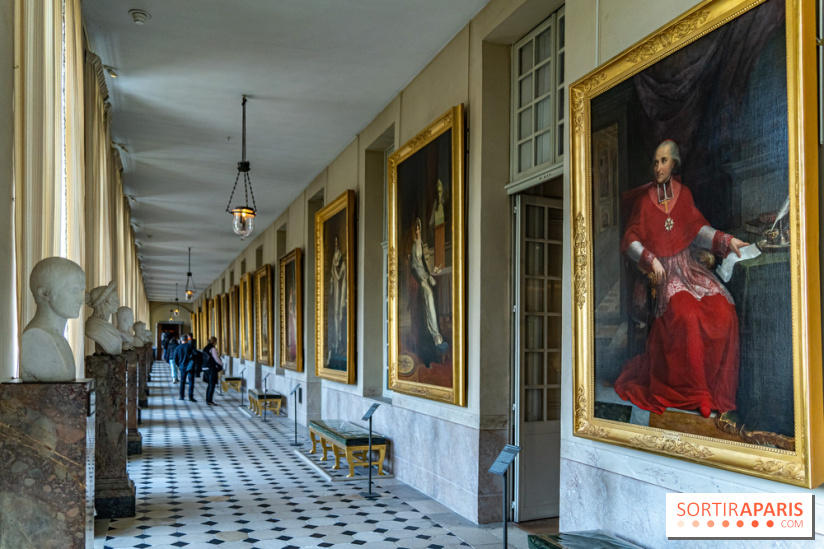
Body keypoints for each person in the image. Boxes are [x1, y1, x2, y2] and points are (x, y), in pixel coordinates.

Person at [615, 139, 747, 418]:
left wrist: (728, 241)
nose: (658, 167)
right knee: (686, 315)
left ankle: (715, 390)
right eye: (655, 162)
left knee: (724, 310)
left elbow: (698, 230)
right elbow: (630, 241)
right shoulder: (644, 201)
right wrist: (651, 260)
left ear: (674, 163)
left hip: (689, 268)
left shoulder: (683, 194)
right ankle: (697, 394)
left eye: (663, 161)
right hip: (664, 273)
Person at [20, 257, 87, 382]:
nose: (82, 299)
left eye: (81, 291)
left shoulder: (56, 337)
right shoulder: (36, 338)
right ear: (44, 293)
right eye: (74, 290)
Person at [409, 217, 447, 352]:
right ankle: (434, 333)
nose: (417, 232)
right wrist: (420, 279)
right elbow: (414, 266)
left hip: (425, 275)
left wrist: (429, 275)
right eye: (416, 229)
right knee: (429, 295)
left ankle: (437, 332)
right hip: (420, 277)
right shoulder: (414, 246)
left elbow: (425, 263)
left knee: (435, 292)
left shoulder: (422, 244)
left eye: (419, 229)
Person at [85, 280, 122, 355]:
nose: (118, 303)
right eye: (115, 299)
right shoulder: (93, 327)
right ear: (106, 302)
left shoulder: (106, 326)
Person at [328, 236, 345, 361]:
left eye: (337, 242)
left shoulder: (342, 264)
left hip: (341, 294)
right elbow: (333, 278)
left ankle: (339, 342)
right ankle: (336, 342)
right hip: (336, 295)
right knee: (335, 317)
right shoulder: (333, 266)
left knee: (339, 317)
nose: (336, 244)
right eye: (334, 242)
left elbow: (340, 276)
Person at [174, 334, 197, 402]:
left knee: (182, 381)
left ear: (181, 340)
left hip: (182, 366)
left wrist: (179, 365)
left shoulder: (178, 348)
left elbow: (175, 359)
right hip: (190, 366)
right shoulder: (190, 346)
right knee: (191, 381)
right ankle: (190, 397)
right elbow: (195, 354)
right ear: (187, 339)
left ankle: (181, 396)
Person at [201, 336, 224, 406]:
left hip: (205, 367)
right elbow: (216, 358)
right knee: (212, 385)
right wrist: (221, 364)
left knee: (209, 385)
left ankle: (208, 400)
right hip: (211, 368)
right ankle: (209, 401)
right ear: (214, 342)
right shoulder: (212, 348)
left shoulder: (205, 348)